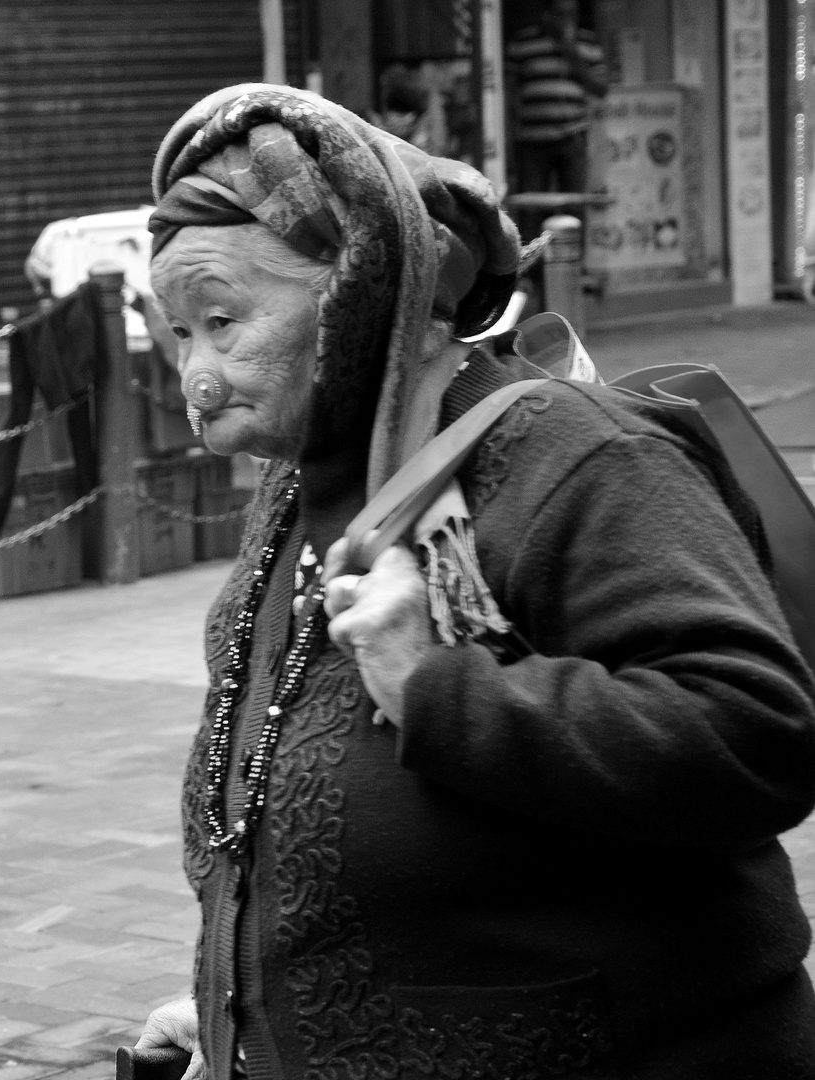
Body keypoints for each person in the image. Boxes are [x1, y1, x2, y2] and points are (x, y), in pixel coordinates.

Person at [135, 83, 815, 1079]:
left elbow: (756, 733)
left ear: (367, 299)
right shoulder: (296, 490)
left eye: (224, 320)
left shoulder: (581, 456)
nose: (193, 377)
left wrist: (433, 689)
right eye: (179, 331)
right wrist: (239, 1008)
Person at [506, 0, 608, 240]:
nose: (565, 20)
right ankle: (531, 271)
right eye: (559, 14)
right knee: (531, 209)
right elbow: (508, 94)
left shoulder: (587, 42)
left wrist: (572, 54)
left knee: (573, 206)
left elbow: (601, 88)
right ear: (546, 14)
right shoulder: (523, 42)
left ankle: (573, 270)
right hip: (532, 139)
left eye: (570, 15)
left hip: (572, 137)